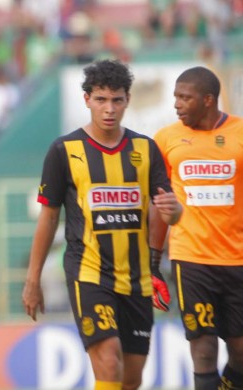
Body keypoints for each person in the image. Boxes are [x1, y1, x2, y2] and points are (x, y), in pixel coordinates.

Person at [22, 59, 182, 390]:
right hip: (89, 274)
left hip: (137, 281)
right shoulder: (64, 150)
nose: (109, 109)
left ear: (127, 100)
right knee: (109, 362)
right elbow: (49, 217)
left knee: (131, 378)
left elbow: (167, 211)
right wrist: (32, 279)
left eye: (117, 100)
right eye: (101, 99)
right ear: (87, 100)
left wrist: (175, 214)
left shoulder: (145, 149)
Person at [150, 66, 243, 390]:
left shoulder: (240, 134)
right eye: (176, 96)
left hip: (238, 260)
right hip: (191, 260)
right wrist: (152, 260)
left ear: (208, 100)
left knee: (240, 353)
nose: (177, 104)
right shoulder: (166, 139)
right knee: (203, 350)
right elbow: (158, 205)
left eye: (185, 98)